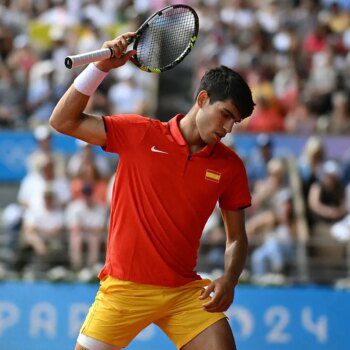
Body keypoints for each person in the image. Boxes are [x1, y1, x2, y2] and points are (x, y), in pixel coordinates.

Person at [49, 32, 255, 350]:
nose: (227, 128)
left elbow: (237, 238)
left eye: (235, 122)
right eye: (225, 114)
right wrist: (100, 68)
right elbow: (62, 121)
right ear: (202, 100)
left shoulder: (231, 167)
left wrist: (229, 278)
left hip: (184, 292)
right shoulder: (139, 133)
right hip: (124, 288)